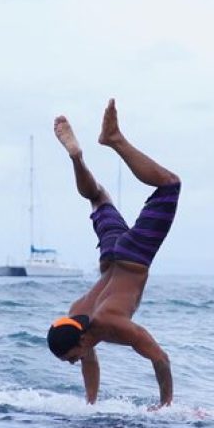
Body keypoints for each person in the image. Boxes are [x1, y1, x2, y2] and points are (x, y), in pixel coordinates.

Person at [46, 98, 181, 408]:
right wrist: (90, 405)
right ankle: (77, 159)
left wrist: (165, 407)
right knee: (97, 197)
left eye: (70, 358)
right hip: (110, 257)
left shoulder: (109, 322)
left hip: (133, 257)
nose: (72, 363)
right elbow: (89, 362)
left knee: (170, 185)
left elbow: (160, 358)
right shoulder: (77, 317)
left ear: (79, 340)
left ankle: (114, 140)